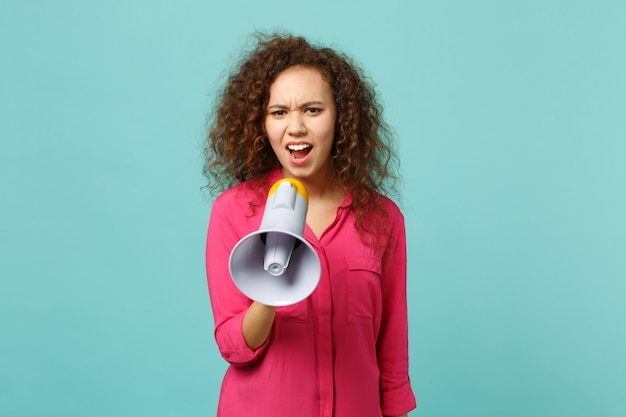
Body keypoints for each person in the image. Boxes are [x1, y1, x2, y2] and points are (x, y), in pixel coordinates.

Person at [203, 32, 416, 417]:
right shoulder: (233, 212)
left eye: (313, 110)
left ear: (341, 118)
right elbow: (234, 347)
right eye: (279, 112)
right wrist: (268, 284)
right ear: (261, 123)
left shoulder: (383, 218)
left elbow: (392, 353)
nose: (296, 127)